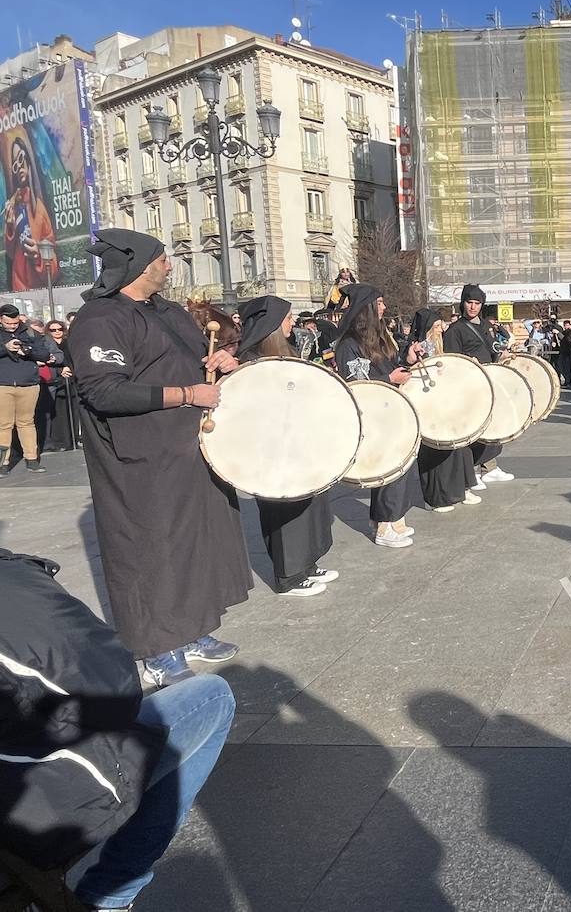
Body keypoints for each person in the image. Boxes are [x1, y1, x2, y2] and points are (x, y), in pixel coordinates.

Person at [0, 549, 235, 912]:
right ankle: (111, 893)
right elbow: (115, 689)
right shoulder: (12, 586)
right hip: (30, 812)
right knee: (212, 697)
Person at [67, 228, 251, 687]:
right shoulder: (100, 319)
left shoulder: (168, 311)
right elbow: (104, 391)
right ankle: (157, 648)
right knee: (150, 552)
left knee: (194, 545)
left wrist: (220, 362)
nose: (170, 266)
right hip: (140, 459)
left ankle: (192, 629)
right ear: (139, 264)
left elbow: (196, 362)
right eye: (163, 258)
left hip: (188, 450)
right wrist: (189, 393)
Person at [236, 296, 339, 597]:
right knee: (284, 512)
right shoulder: (251, 360)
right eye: (287, 317)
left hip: (298, 443)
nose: (292, 322)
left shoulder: (287, 351)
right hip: (273, 449)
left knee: (309, 505)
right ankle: (288, 577)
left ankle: (306, 563)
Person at [333, 284, 425, 547]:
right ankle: (384, 526)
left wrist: (406, 361)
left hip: (391, 410)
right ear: (367, 309)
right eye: (379, 303)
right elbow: (356, 384)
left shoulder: (378, 338)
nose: (384, 307)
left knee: (401, 467)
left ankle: (393, 518)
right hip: (375, 416)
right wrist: (389, 379)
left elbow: (389, 368)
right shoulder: (350, 344)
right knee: (388, 468)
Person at [443, 283, 515, 485]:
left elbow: (492, 349)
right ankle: (472, 471)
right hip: (469, 386)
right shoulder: (455, 330)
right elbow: (452, 361)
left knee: (491, 427)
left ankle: (489, 467)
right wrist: (468, 365)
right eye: (469, 302)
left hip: (489, 381)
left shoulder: (486, 326)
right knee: (474, 428)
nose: (473, 307)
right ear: (463, 303)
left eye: (477, 303)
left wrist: (502, 356)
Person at [412, 308, 481, 514]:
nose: (440, 330)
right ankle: (437, 497)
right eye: (435, 327)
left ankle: (462, 489)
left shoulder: (441, 346)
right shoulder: (420, 348)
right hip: (429, 407)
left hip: (446, 405)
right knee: (435, 455)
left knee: (460, 449)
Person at [1, 302, 57, 474]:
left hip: (29, 384)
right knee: (4, 424)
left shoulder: (31, 332)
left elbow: (45, 354)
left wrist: (28, 351)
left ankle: (32, 459)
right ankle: (3, 463)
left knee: (26, 422)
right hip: (3, 385)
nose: (12, 326)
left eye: (15, 323)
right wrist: (5, 348)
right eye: (8, 323)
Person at [2, 135, 61, 292]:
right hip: (19, 287)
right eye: (15, 165)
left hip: (39, 290)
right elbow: (10, 253)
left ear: (29, 162)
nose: (20, 167)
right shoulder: (13, 206)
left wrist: (39, 256)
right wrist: (9, 227)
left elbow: (53, 265)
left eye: (22, 159)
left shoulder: (40, 209)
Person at [43, 318, 79, 452]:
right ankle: (60, 440)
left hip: (71, 378)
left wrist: (70, 369)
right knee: (57, 412)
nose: (57, 332)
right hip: (55, 380)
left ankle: (73, 439)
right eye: (53, 330)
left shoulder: (69, 342)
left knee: (73, 411)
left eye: (60, 329)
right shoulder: (46, 343)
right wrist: (60, 370)